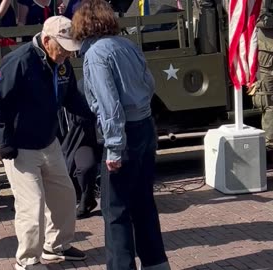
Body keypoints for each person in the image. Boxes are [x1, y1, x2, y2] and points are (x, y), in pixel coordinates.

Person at [0, 15, 91, 270]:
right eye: (63, 47)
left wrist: (94, 112)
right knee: (32, 205)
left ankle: (56, 246)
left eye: (70, 48)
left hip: (48, 142)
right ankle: (27, 260)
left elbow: (71, 98)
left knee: (65, 196)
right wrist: (4, 140)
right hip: (20, 148)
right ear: (46, 40)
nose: (67, 53)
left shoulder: (61, 63)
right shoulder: (19, 62)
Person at [71, 0, 170, 269]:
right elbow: (149, 84)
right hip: (144, 125)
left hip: (123, 133)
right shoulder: (128, 45)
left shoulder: (96, 55)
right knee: (144, 202)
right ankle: (156, 262)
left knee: (115, 210)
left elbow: (108, 103)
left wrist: (114, 147)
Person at [59, 80, 102, 219]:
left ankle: (87, 199)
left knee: (85, 168)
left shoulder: (79, 91)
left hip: (81, 141)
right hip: (57, 144)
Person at [251, 2, 273, 163]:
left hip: (266, 42)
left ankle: (270, 144)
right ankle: (270, 144)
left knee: (269, 97)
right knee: (268, 97)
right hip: (267, 41)